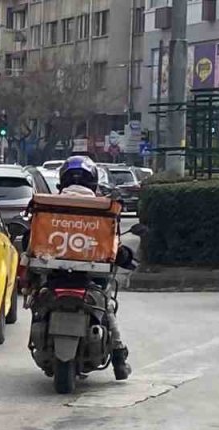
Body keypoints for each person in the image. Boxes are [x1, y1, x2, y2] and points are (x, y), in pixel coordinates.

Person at [55, 155, 132, 380]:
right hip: (91, 279)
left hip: (55, 277)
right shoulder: (104, 209)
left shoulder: (49, 204)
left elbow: (32, 239)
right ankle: (119, 360)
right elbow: (115, 245)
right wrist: (125, 256)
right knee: (106, 309)